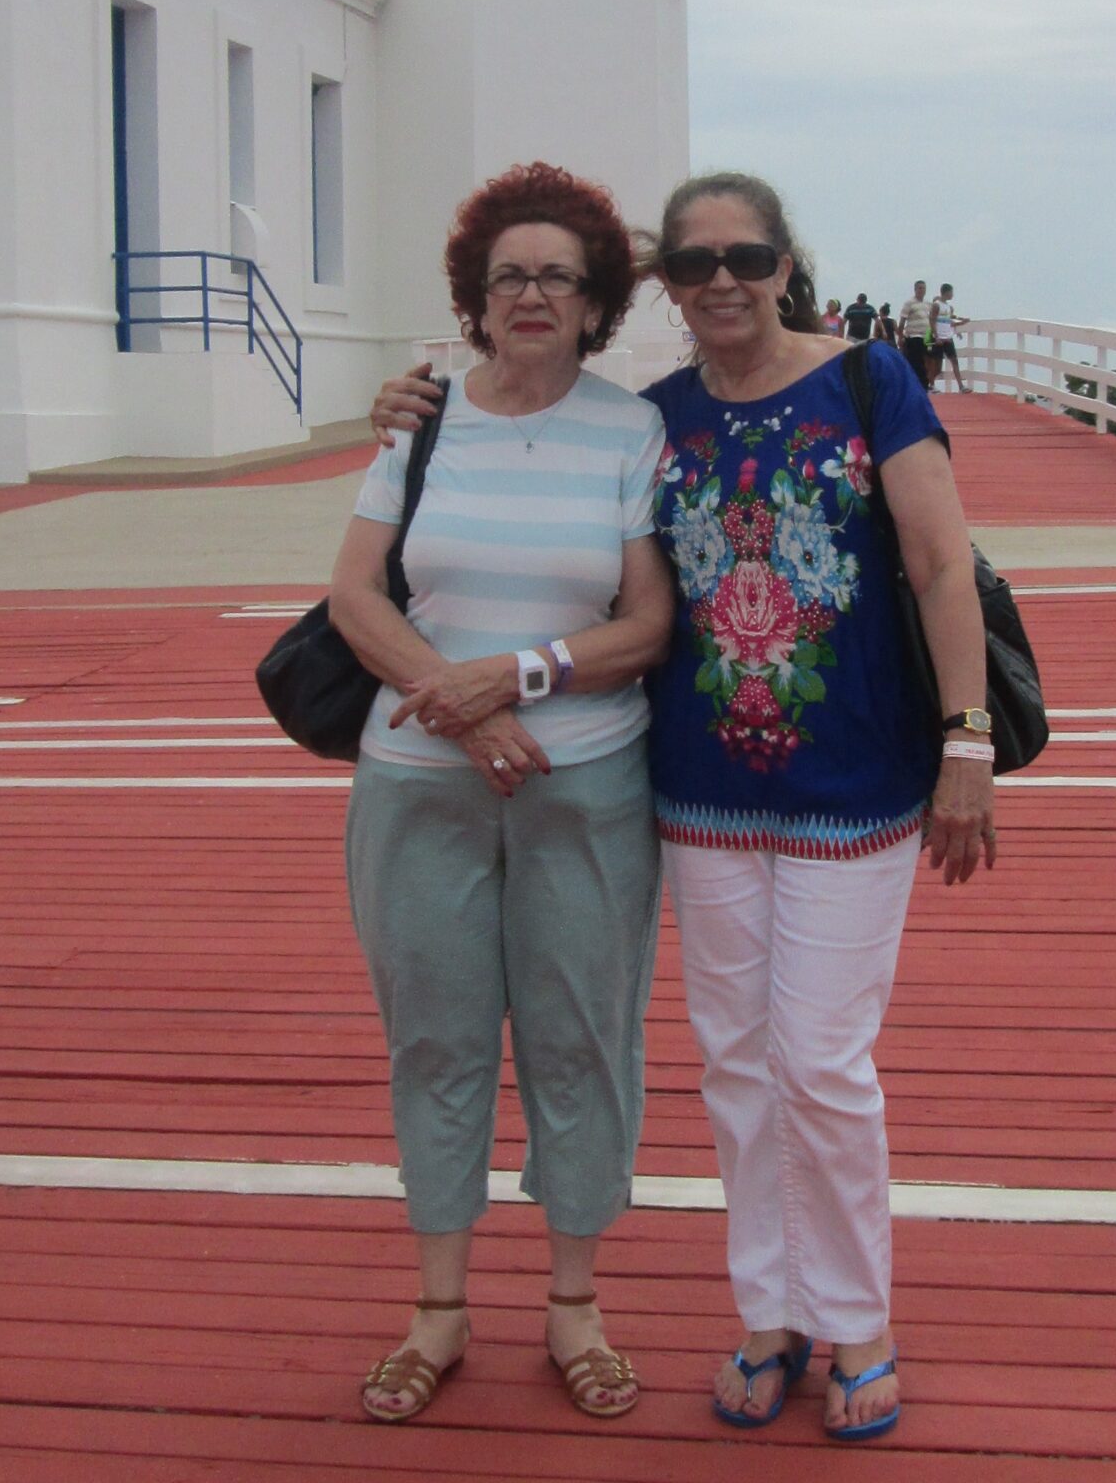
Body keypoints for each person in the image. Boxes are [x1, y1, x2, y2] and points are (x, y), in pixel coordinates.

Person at [374, 170, 997, 1441]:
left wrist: (967, 739)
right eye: (694, 261)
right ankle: (769, 1313)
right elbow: (529, 457)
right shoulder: (657, 418)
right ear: (661, 284)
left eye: (748, 255)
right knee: (733, 1064)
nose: (722, 279)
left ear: (787, 263)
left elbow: (940, 561)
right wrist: (400, 404)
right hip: (703, 788)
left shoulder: (872, 382)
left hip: (857, 781)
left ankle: (858, 1320)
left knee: (820, 1058)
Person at [328, 162, 676, 1425]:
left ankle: (575, 1301)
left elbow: (648, 623)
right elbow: (357, 594)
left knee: (585, 1033)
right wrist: (459, 705)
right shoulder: (420, 421)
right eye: (509, 276)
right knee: (436, 1037)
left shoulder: (629, 429)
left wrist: (519, 677)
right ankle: (438, 1306)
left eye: (559, 278)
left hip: (587, 784)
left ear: (596, 303)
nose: (532, 295)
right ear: (477, 296)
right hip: (419, 781)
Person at [896, 280, 934, 386]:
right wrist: (900, 336)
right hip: (914, 335)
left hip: (926, 335)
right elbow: (902, 320)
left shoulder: (928, 304)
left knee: (929, 359)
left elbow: (931, 319)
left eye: (924, 288)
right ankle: (921, 383)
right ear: (915, 289)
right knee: (916, 361)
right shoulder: (909, 303)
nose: (922, 290)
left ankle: (928, 382)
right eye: (920, 288)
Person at [927, 284, 964, 392]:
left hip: (948, 337)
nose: (952, 295)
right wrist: (936, 336)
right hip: (939, 338)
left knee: (954, 361)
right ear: (946, 292)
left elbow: (949, 322)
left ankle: (961, 386)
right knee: (936, 365)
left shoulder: (948, 307)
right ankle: (930, 384)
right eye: (951, 292)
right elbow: (932, 320)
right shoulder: (936, 305)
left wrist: (958, 327)